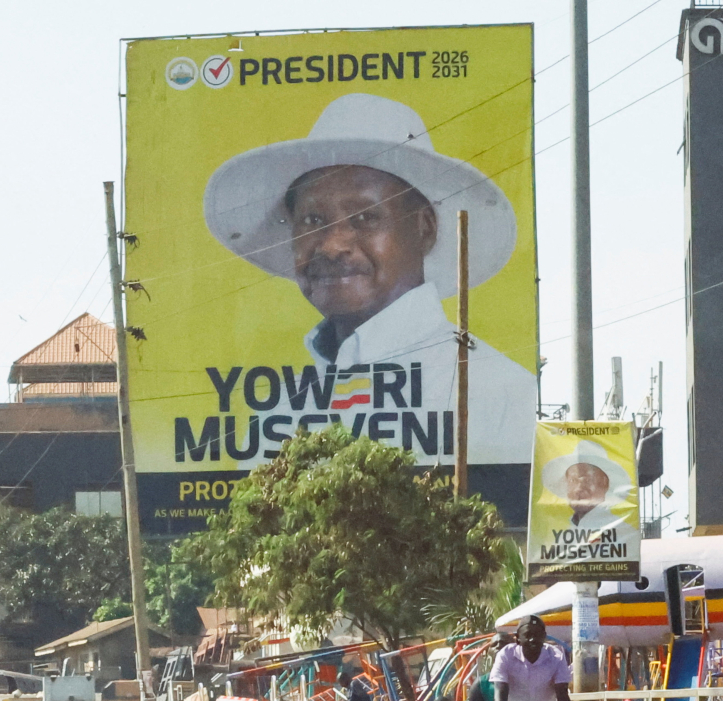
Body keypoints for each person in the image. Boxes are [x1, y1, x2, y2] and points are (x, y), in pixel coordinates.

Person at [203, 92, 537, 467]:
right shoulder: (277, 411)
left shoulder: (498, 391)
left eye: (365, 218)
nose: (332, 246)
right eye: (313, 221)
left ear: (423, 228)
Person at [541, 440, 638, 535]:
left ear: (604, 483)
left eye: (588, 481)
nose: (579, 488)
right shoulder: (563, 528)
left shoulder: (621, 531)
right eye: (573, 481)